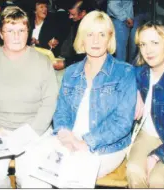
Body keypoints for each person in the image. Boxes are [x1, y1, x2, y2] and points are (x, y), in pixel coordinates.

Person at [0, 6, 58, 188]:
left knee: (36, 183)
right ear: (1, 33)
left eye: (21, 30)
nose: (17, 36)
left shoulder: (43, 63)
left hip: (35, 130)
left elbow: (49, 104)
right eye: (10, 31)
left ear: (28, 32)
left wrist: (30, 132)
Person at [52, 10, 136, 182]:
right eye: (90, 34)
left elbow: (122, 123)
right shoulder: (71, 73)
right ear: (82, 38)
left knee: (71, 175)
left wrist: (86, 143)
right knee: (38, 171)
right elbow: (61, 111)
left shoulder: (124, 72)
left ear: (110, 38)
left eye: (102, 34)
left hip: (106, 147)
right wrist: (65, 135)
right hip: (69, 140)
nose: (96, 41)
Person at [127, 20, 164, 188]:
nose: (148, 50)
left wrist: (156, 155)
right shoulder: (139, 72)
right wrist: (135, 90)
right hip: (148, 135)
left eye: (155, 43)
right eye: (143, 44)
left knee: (157, 179)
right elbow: (121, 73)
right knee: (134, 171)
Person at [53, 0, 92, 70]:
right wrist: (56, 40)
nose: (70, 17)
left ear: (83, 13)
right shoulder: (75, 22)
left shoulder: (90, 29)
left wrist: (66, 63)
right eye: (69, 13)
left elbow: (85, 55)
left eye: (73, 14)